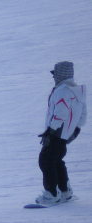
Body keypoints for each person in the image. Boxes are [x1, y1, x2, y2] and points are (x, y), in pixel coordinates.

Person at [36, 61, 87, 205]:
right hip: (65, 133)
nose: (53, 77)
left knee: (45, 161)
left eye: (55, 74)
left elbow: (60, 113)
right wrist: (74, 130)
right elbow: (83, 115)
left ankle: (51, 194)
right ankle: (65, 191)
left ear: (61, 74)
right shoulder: (77, 90)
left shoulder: (63, 91)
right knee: (56, 160)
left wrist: (50, 132)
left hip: (57, 132)